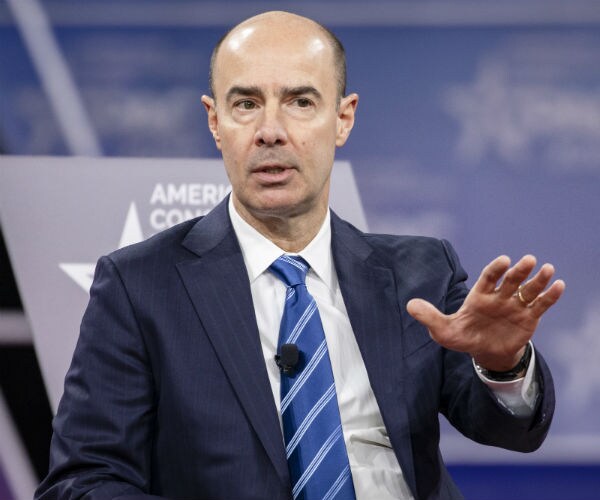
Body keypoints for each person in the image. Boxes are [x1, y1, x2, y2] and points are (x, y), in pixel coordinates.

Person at [36, 10, 565, 500]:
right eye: (246, 104)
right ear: (215, 121)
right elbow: (83, 480)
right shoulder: (140, 286)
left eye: (300, 101)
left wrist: (501, 365)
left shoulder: (420, 272)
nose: (271, 131)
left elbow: (509, 431)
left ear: (343, 118)